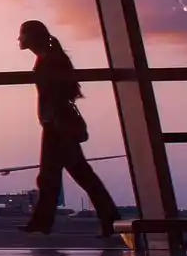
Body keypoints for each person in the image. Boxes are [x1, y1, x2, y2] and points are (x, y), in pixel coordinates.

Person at [18, 20, 120, 238]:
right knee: (70, 174)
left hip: (57, 125)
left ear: (32, 38)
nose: (19, 40)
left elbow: (56, 95)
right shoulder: (49, 58)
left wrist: (51, 120)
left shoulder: (49, 60)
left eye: (22, 35)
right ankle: (108, 219)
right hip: (56, 123)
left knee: (61, 175)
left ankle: (44, 223)